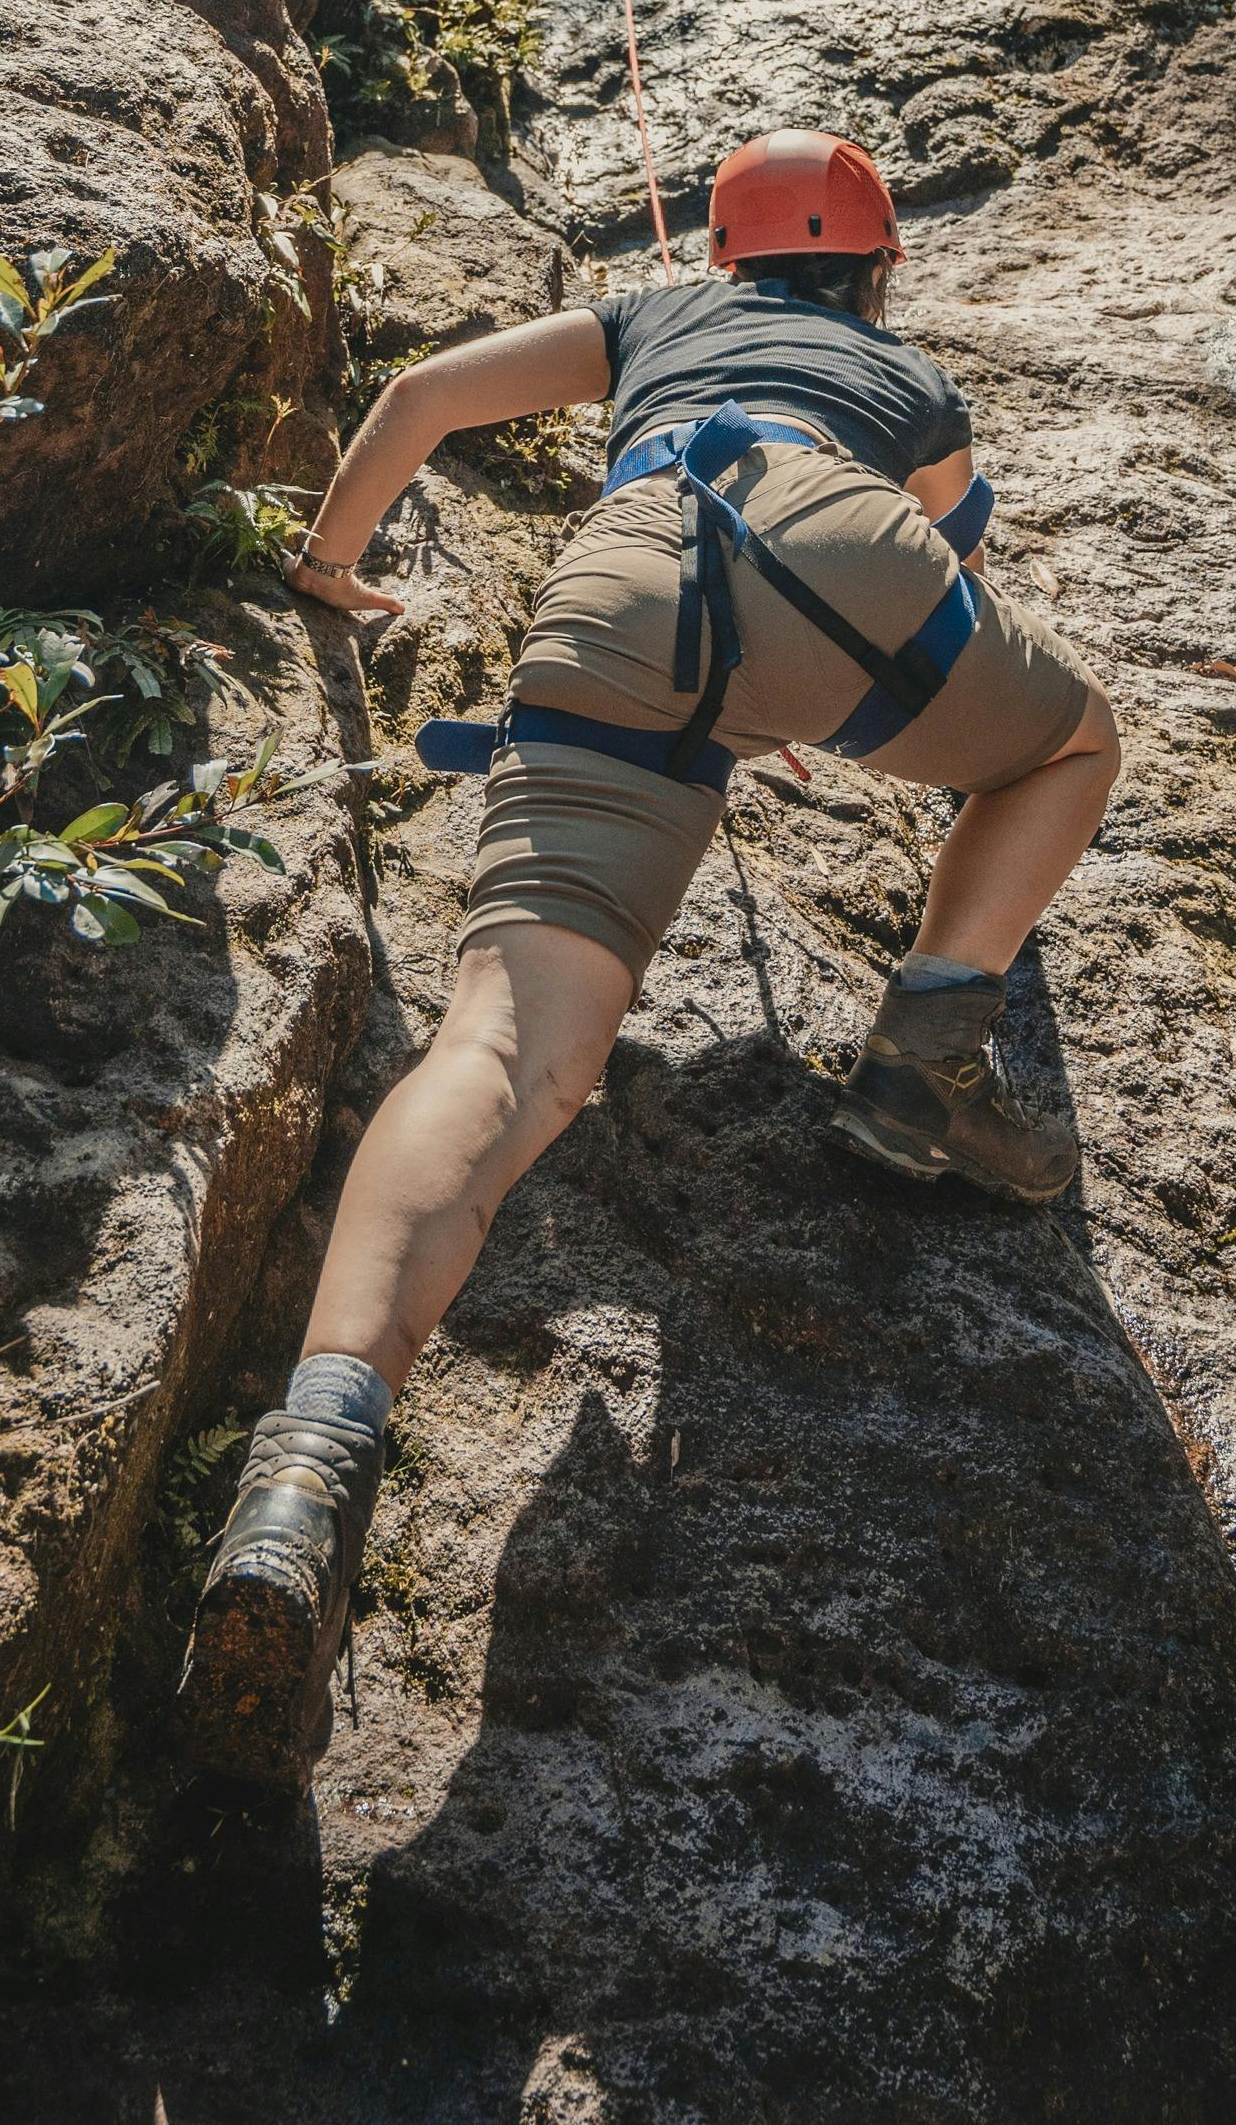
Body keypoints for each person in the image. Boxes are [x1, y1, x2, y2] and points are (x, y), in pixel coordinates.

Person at [180, 128, 1119, 1793]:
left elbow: (421, 397)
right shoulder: (906, 382)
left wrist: (328, 568)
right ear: (876, 268)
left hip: (615, 582)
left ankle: (309, 1461)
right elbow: (949, 579)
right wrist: (807, 685)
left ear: (725, 254)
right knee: (1068, 745)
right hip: (837, 555)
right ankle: (924, 1059)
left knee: (499, 1054)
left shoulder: (652, 316)